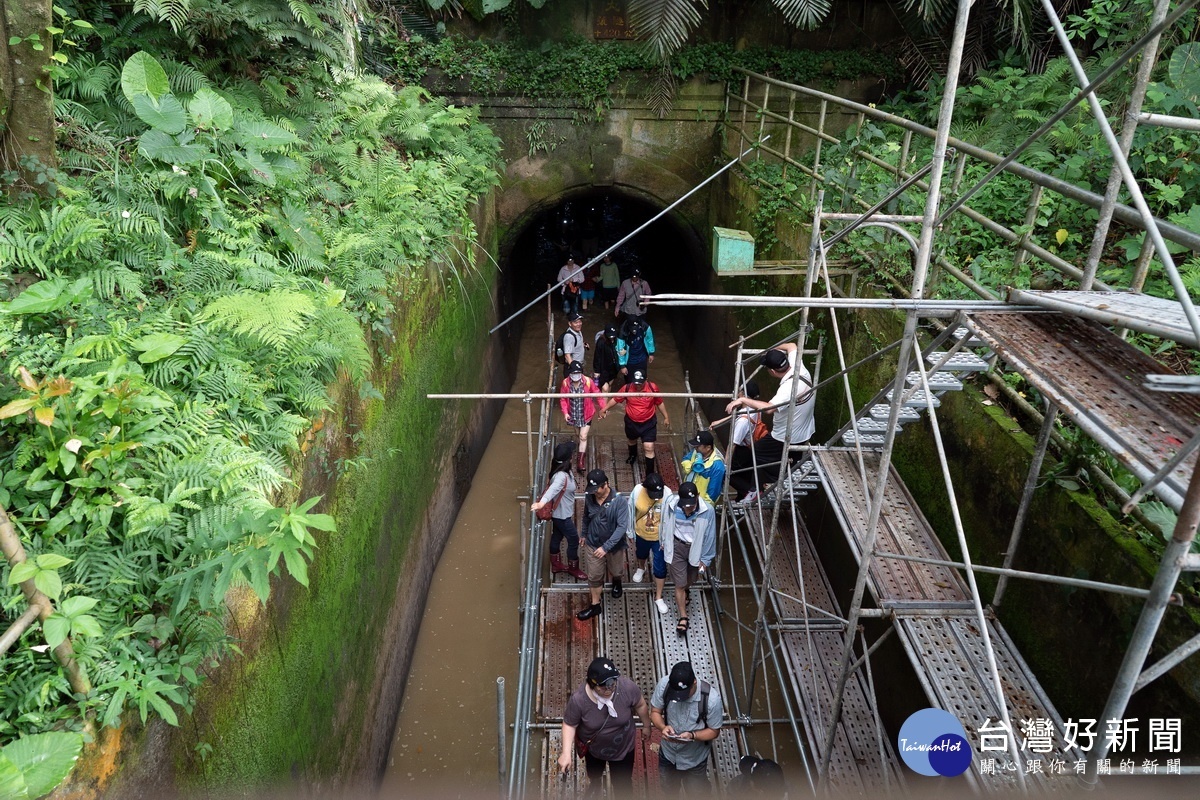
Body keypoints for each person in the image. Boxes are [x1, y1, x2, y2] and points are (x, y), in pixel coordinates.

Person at [724, 343, 815, 504]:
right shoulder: (799, 367)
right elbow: (792, 345)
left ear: (772, 371)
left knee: (756, 452)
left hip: (786, 436)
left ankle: (756, 489)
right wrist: (771, 351)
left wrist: (743, 399)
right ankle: (774, 476)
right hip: (804, 431)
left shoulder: (788, 388)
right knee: (788, 460)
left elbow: (769, 409)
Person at [559, 656, 651, 797]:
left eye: (612, 683)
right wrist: (566, 753)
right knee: (594, 773)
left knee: (623, 785)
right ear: (592, 684)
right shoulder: (579, 700)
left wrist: (646, 726)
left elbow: (640, 704)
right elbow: (570, 724)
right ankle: (595, 784)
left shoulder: (627, 687)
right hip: (594, 749)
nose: (609, 689)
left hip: (623, 748)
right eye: (603, 686)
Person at [650, 661, 724, 793]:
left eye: (684, 694)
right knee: (669, 791)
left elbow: (714, 731)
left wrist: (692, 735)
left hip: (694, 759)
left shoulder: (711, 700)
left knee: (697, 793)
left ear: (694, 682)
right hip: (668, 754)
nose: (680, 698)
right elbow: (655, 712)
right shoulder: (664, 685)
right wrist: (662, 727)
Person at [660, 482, 716, 636]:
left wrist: (705, 558)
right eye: (685, 505)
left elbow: (710, 535)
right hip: (677, 547)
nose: (688, 508)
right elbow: (664, 523)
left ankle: (686, 590)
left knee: (690, 580)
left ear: (698, 497)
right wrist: (663, 541)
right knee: (679, 583)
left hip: (695, 548)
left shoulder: (707, 511)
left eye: (691, 505)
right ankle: (683, 616)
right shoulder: (671, 504)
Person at [577, 469, 631, 621]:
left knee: (616, 570)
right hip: (593, 544)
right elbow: (586, 516)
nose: (594, 493)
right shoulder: (590, 497)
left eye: (596, 490)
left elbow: (621, 527)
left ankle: (617, 582)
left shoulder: (619, 501)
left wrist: (606, 547)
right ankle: (595, 605)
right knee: (594, 576)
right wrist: (583, 533)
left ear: (605, 485)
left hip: (613, 546)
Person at [531, 442, 586, 580]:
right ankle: (573, 568)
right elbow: (552, 489)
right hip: (562, 516)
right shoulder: (561, 476)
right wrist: (541, 503)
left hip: (559, 513)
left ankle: (555, 565)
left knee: (557, 536)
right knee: (573, 540)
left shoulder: (561, 469)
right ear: (569, 459)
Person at [599, 369, 669, 475]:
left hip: (648, 422)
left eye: (640, 383)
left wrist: (666, 417)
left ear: (646, 380)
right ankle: (633, 455)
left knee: (649, 447)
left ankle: (649, 473)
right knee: (631, 440)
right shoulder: (627, 388)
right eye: (636, 383)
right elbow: (616, 399)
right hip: (631, 422)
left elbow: (659, 402)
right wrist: (604, 409)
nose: (638, 386)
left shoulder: (652, 388)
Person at [626, 472, 672, 615]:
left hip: (659, 539)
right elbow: (630, 511)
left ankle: (658, 596)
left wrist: (667, 538)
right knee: (641, 553)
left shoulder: (668, 494)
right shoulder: (637, 491)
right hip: (641, 533)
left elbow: (670, 518)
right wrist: (630, 531)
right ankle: (641, 567)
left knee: (660, 567)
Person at [561, 361, 603, 472]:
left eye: (578, 373)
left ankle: (580, 462)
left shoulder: (588, 382)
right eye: (574, 373)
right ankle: (581, 448)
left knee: (583, 436)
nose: (576, 375)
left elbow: (597, 394)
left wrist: (603, 408)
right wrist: (565, 412)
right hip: (573, 413)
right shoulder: (565, 383)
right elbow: (563, 399)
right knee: (578, 434)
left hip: (586, 414)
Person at [727, 380, 762, 502]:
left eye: (740, 391)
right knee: (744, 474)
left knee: (729, 475)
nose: (737, 393)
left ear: (743, 395)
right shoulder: (756, 409)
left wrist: (726, 464)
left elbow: (733, 443)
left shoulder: (742, 421)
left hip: (742, 451)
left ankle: (750, 492)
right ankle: (741, 497)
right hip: (751, 448)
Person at [680, 430, 725, 506]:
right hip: (688, 496)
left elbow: (712, 495)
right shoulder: (697, 451)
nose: (695, 448)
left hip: (700, 504)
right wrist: (691, 466)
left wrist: (702, 509)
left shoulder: (717, 466)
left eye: (698, 446)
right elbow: (685, 459)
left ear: (708, 448)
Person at [556, 311, 588, 376]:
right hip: (573, 369)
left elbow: (575, 344)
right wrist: (575, 370)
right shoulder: (569, 337)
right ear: (570, 324)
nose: (579, 324)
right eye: (576, 322)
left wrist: (583, 344)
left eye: (580, 322)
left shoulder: (577, 330)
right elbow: (567, 356)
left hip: (579, 365)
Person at [592, 324, 621, 393]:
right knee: (605, 388)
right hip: (603, 369)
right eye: (610, 336)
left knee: (609, 385)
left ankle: (606, 402)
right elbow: (597, 357)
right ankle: (603, 403)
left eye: (613, 336)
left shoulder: (617, 340)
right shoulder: (601, 342)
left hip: (613, 369)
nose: (611, 338)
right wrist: (597, 371)